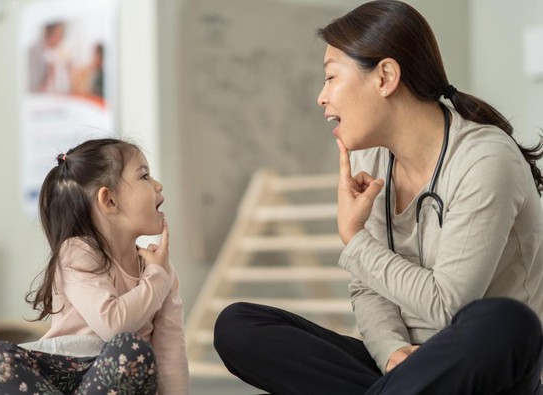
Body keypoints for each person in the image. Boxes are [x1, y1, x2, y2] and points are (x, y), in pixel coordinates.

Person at [213, 1, 543, 394]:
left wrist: (355, 239)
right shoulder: (373, 159)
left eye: (331, 77)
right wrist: (391, 352)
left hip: (483, 371)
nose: (322, 97)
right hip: (404, 374)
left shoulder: (485, 159)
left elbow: (446, 305)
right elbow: (368, 287)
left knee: (506, 321)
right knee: (239, 326)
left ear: (385, 76)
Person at [0, 138, 189, 394]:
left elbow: (170, 353)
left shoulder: (161, 271)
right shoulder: (76, 252)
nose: (157, 185)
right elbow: (113, 324)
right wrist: (157, 277)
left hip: (117, 379)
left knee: (130, 349)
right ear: (109, 200)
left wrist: (158, 274)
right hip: (63, 370)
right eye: (144, 176)